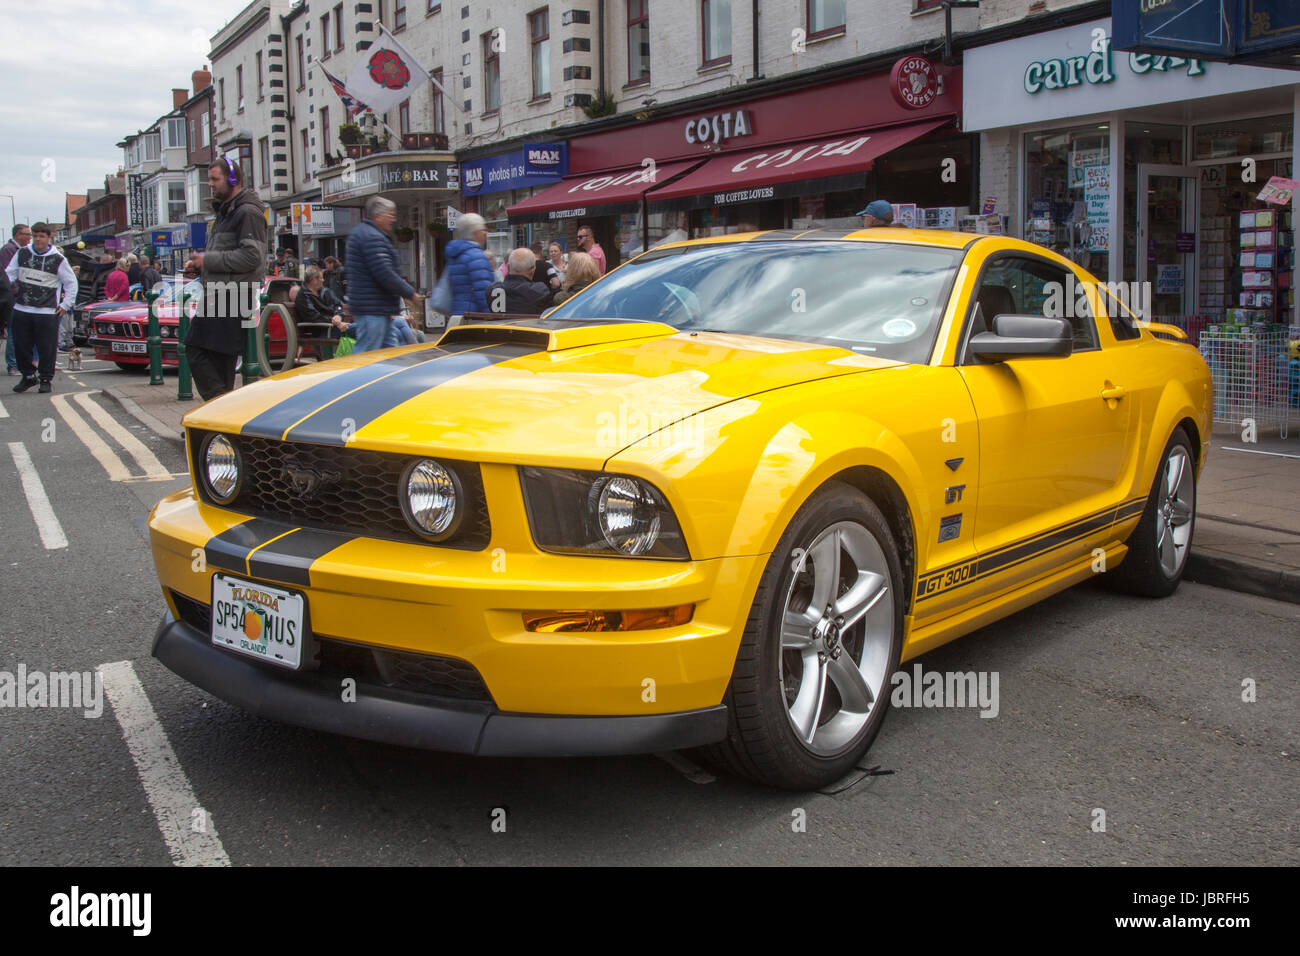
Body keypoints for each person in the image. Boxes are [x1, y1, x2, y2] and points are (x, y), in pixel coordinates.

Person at [183, 156, 267, 400]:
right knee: (219, 360)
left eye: (214, 179)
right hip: (221, 292)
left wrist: (207, 261)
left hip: (233, 295)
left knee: (195, 348)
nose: (210, 184)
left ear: (233, 180)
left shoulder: (247, 212)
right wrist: (200, 267)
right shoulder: (226, 213)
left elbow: (252, 257)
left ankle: (218, 411)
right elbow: (227, 254)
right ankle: (219, 423)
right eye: (209, 179)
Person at [344, 195, 423, 352]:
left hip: (375, 307)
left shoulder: (365, 234)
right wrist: (410, 293)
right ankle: (358, 377)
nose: (393, 220)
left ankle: (388, 376)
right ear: (378, 216)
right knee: (367, 353)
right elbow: (385, 273)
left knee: (389, 354)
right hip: (373, 308)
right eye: (390, 215)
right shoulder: (372, 237)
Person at [5, 223, 77, 393]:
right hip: (22, 308)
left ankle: (45, 379)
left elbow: (71, 282)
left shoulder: (58, 258)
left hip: (47, 311)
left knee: (47, 347)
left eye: (41, 236)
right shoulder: (22, 253)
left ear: (48, 237)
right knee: (21, 346)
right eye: (35, 235)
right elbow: (9, 274)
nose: (37, 239)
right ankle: (28, 376)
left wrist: (65, 305)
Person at [444, 213, 495, 319]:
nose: (486, 233)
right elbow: (483, 291)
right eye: (483, 229)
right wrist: (490, 315)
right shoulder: (477, 256)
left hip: (458, 312)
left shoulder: (456, 255)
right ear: (475, 233)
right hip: (474, 315)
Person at [2, 223, 32, 374]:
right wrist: (18, 293)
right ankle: (12, 364)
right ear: (17, 235)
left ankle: (22, 362)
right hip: (13, 298)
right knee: (14, 331)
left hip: (22, 297)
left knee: (22, 331)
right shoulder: (9, 250)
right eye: (27, 234)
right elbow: (7, 277)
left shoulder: (21, 250)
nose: (30, 237)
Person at [487, 248, 552, 315]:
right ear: (533, 271)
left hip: (498, 325)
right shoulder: (540, 291)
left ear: (508, 268)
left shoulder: (492, 290)